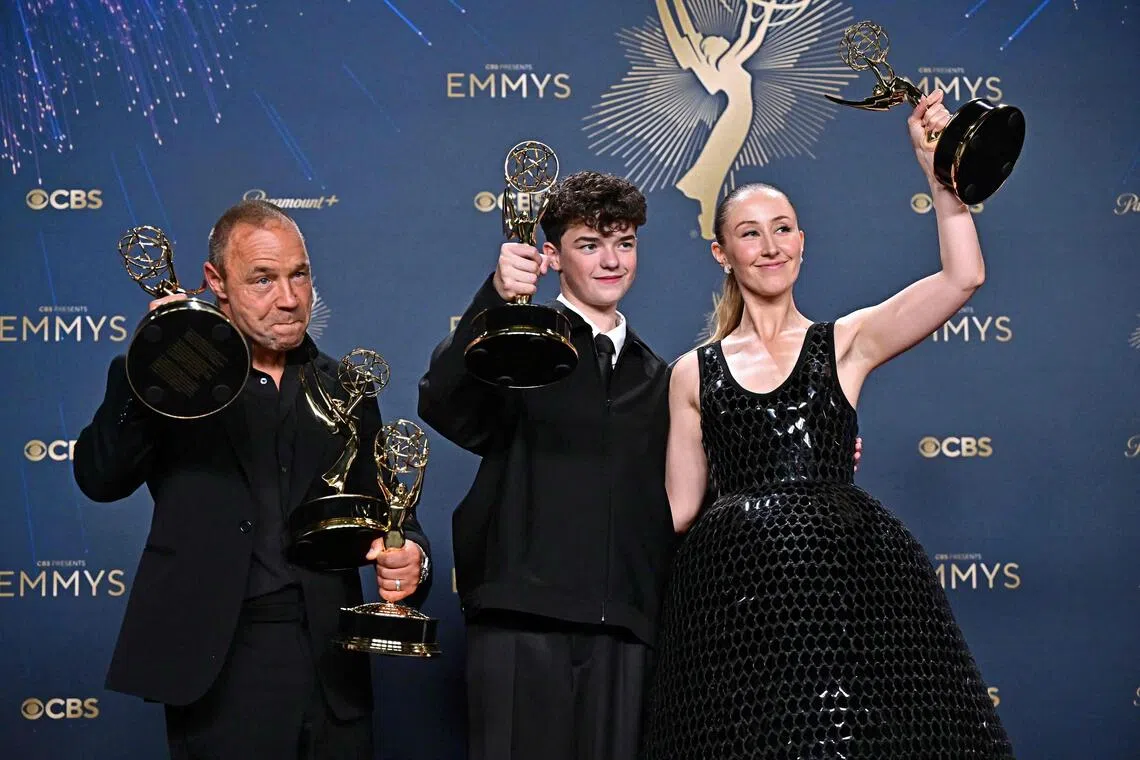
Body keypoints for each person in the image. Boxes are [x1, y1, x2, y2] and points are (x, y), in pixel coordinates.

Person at [641, 90, 1015, 758]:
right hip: (735, 610)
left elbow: (962, 278)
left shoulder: (846, 342)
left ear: (803, 243)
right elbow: (678, 509)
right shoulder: (692, 375)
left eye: (783, 228)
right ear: (721, 252)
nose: (770, 245)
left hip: (841, 597)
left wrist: (943, 180)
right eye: (750, 233)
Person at [73, 199, 431, 759]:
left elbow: (392, 513)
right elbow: (99, 478)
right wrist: (151, 366)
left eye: (299, 275)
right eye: (263, 279)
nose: (288, 299)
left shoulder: (348, 389)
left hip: (330, 661)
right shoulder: (167, 377)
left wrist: (412, 555)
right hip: (216, 663)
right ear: (216, 281)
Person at [418, 171, 674, 760]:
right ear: (552, 257)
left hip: (627, 629)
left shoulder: (659, 376)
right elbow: (442, 402)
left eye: (625, 242)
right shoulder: (516, 341)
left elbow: (690, 489)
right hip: (520, 620)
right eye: (590, 244)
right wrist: (495, 300)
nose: (611, 261)